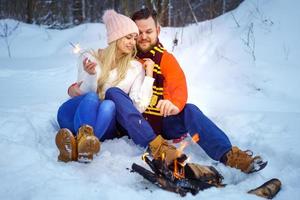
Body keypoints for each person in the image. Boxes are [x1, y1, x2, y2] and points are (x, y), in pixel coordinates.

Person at [97, 8, 267, 173]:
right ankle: (159, 149)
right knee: (114, 92)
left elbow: (178, 85)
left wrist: (174, 104)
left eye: (148, 31)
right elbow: (98, 77)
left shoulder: (165, 59)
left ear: (157, 30)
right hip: (131, 124)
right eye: (138, 33)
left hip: (161, 122)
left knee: (190, 110)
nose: (143, 37)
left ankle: (229, 155)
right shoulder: (123, 54)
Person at [55, 10, 156, 163]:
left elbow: (138, 106)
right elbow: (82, 93)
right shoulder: (89, 57)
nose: (133, 42)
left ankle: (77, 146)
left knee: (109, 105)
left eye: (134, 38)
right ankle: (83, 142)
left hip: (104, 121)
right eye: (128, 37)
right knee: (92, 97)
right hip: (75, 114)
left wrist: (149, 76)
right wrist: (90, 75)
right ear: (115, 37)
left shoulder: (135, 67)